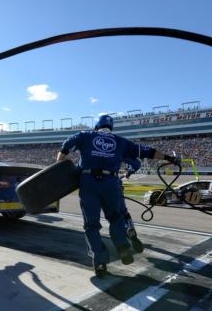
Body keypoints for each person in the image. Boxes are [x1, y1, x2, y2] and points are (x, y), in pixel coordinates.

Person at [56, 114, 179, 278]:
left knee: (91, 225)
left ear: (97, 126)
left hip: (88, 181)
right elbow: (147, 151)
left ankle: (100, 261)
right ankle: (122, 247)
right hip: (111, 182)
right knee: (116, 217)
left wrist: (58, 165)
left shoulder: (85, 135)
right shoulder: (121, 141)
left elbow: (66, 146)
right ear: (111, 127)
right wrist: (170, 157)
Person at [121, 157, 144, 253]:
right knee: (124, 212)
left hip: (95, 186)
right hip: (114, 183)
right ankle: (129, 228)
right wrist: (128, 173)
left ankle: (121, 242)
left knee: (112, 217)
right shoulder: (116, 147)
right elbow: (137, 163)